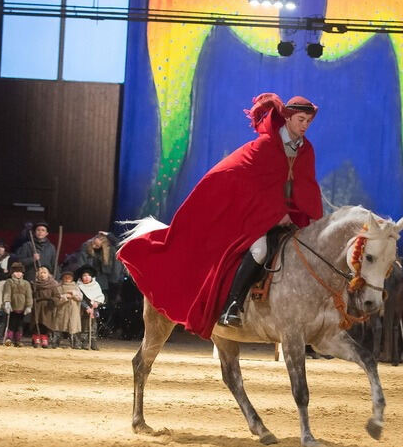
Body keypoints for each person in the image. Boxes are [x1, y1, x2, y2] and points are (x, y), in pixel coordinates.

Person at [118, 93, 323, 338]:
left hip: (290, 218)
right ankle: (232, 306)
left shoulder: (306, 150)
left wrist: (299, 214)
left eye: (308, 122)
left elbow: (305, 186)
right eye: (301, 119)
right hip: (252, 218)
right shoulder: (264, 146)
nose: (305, 126)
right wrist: (274, 214)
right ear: (288, 118)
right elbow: (242, 182)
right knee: (259, 250)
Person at [2, 261, 33, 347]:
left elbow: (29, 295)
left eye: (20, 272)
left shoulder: (26, 283)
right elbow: (7, 293)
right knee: (11, 323)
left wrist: (29, 306)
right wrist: (7, 302)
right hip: (13, 306)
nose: (18, 274)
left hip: (22, 307)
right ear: (12, 273)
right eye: (16, 272)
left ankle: (18, 340)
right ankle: (9, 339)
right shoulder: (9, 282)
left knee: (19, 324)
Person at [75, 265, 104, 350]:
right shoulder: (78, 286)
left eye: (88, 275)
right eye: (84, 276)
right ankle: (85, 342)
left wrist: (97, 303)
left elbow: (100, 296)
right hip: (83, 310)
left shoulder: (96, 285)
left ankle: (93, 341)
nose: (87, 277)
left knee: (93, 325)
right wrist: (86, 307)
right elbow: (80, 298)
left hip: (94, 309)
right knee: (85, 326)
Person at [53, 270, 83, 349]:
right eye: (65, 277)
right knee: (59, 326)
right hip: (62, 310)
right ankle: (55, 342)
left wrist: (74, 295)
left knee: (74, 327)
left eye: (69, 277)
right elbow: (56, 300)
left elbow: (80, 298)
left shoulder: (76, 287)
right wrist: (65, 297)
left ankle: (76, 343)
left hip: (74, 311)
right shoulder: (59, 287)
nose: (67, 279)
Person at [31, 266, 59, 348]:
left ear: (48, 274)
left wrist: (53, 300)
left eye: (44, 273)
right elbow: (31, 295)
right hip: (37, 306)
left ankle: (44, 338)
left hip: (48, 307)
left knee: (46, 324)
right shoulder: (34, 284)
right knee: (37, 323)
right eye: (41, 273)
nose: (43, 275)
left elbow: (57, 296)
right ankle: (36, 338)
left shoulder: (53, 284)